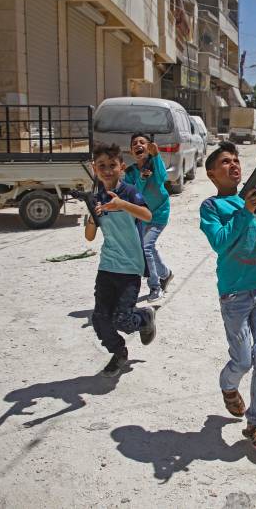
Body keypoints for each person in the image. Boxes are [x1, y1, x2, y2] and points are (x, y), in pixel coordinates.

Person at [199, 138, 256, 452]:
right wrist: (245, 211)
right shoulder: (211, 207)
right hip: (234, 295)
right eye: (224, 162)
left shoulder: (254, 196)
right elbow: (220, 242)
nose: (233, 165)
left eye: (236, 160)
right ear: (211, 174)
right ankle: (228, 385)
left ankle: (255, 422)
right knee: (242, 360)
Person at [84, 142, 157, 377]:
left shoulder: (129, 191)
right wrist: (93, 217)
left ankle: (144, 317)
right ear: (94, 168)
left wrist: (122, 204)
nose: (107, 170)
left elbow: (147, 215)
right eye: (102, 166)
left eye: (112, 165)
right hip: (107, 265)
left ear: (121, 167)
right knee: (100, 318)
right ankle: (118, 352)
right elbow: (89, 236)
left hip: (130, 266)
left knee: (123, 319)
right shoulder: (96, 199)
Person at [123, 133, 173, 302]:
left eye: (142, 142)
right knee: (149, 247)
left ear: (149, 147)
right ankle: (165, 274)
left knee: (146, 247)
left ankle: (155, 287)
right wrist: (142, 179)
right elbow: (133, 193)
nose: (138, 145)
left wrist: (157, 155)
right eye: (135, 143)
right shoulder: (130, 172)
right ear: (131, 151)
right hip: (142, 215)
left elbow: (162, 178)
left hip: (159, 212)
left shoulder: (154, 163)